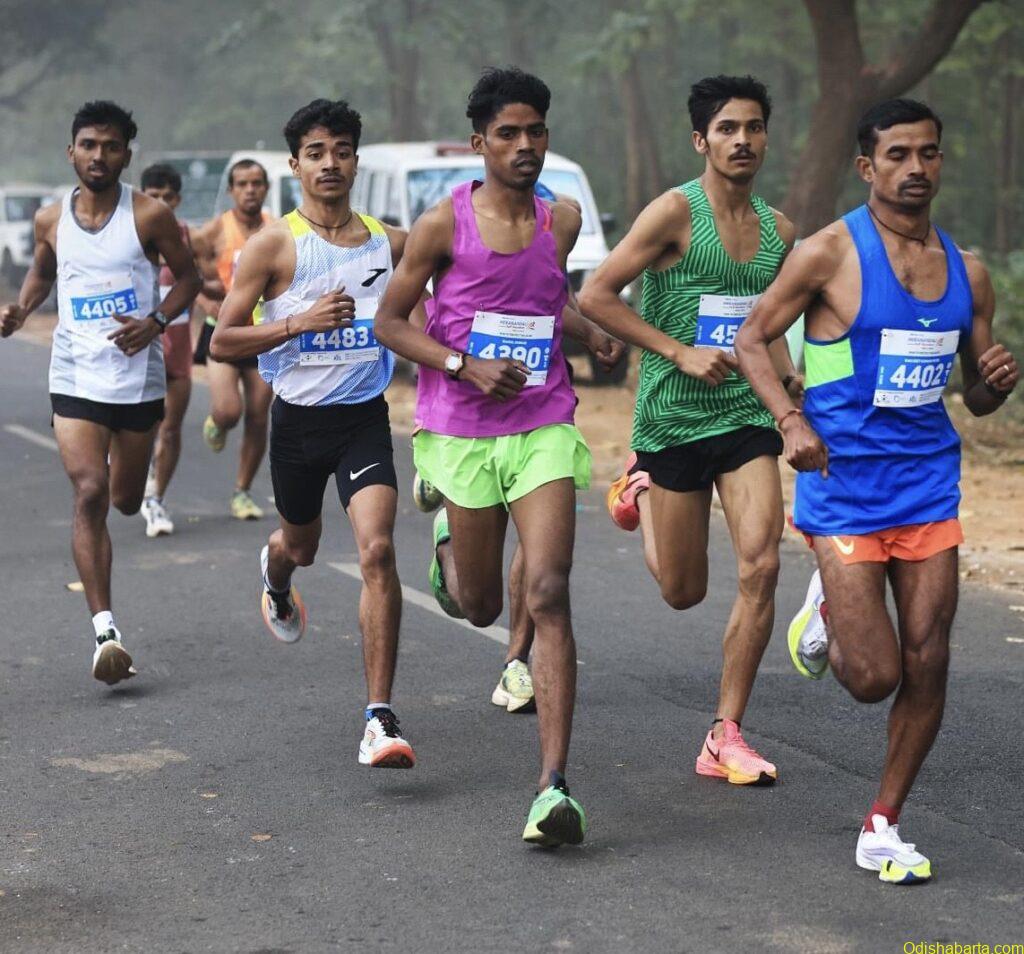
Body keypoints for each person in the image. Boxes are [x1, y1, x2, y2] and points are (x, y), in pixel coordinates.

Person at [735, 98, 1019, 884]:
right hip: (844, 486)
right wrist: (790, 420)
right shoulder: (829, 253)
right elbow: (751, 338)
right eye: (898, 154)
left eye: (928, 153)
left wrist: (995, 382)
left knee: (930, 658)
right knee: (873, 678)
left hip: (928, 485)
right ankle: (829, 605)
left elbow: (975, 394)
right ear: (867, 166)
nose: (915, 168)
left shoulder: (969, 273)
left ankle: (883, 824)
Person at [375, 67, 592, 847]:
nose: (524, 144)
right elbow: (390, 322)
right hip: (463, 429)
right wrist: (463, 365)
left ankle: (553, 786)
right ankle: (447, 545)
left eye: (535, 131)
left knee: (550, 589)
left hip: (543, 423)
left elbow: (546, 298)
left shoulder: (562, 221)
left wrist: (590, 331)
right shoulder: (442, 225)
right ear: (480, 143)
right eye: (508, 133)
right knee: (479, 605)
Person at [578, 75, 801, 785]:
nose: (743, 140)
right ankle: (639, 487)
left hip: (745, 416)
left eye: (754, 127)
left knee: (762, 564)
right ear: (701, 140)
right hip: (673, 418)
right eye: (728, 128)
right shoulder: (675, 212)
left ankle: (724, 734)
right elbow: (595, 295)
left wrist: (788, 385)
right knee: (682, 591)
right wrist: (677, 351)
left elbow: (769, 324)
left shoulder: (779, 232)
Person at [210, 98, 418, 769]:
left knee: (377, 551)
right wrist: (297, 323)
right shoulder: (273, 245)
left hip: (363, 418)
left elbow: (452, 285)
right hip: (297, 423)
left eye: (342, 151)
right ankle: (275, 576)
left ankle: (379, 717)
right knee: (299, 546)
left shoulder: (392, 243)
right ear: (295, 164)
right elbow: (222, 340)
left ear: (356, 161)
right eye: (316, 152)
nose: (330, 163)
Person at [0, 101, 200, 684]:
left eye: (111, 147)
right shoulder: (49, 219)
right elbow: (43, 270)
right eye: (88, 145)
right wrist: (22, 309)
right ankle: (105, 631)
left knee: (124, 500)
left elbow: (190, 278)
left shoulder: (150, 215)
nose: (98, 156)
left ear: (126, 156)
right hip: (75, 373)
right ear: (72, 152)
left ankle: (126, 480)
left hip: (136, 377)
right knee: (89, 490)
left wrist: (156, 324)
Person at [191, 159, 273, 520]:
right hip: (222, 331)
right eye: (242, 184)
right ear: (231, 190)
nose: (250, 190)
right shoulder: (213, 231)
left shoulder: (277, 229)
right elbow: (185, 271)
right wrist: (203, 299)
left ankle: (242, 491)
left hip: (262, 332)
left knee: (258, 415)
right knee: (228, 409)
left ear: (266, 188)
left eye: (256, 183)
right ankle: (218, 422)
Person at [138, 163, 194, 537]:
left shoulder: (188, 236)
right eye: (153, 196)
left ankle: (157, 499)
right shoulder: (130, 236)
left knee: (171, 429)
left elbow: (200, 281)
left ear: (177, 200)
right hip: (139, 352)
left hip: (178, 351)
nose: (160, 203)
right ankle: (135, 474)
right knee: (141, 429)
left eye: (167, 197)